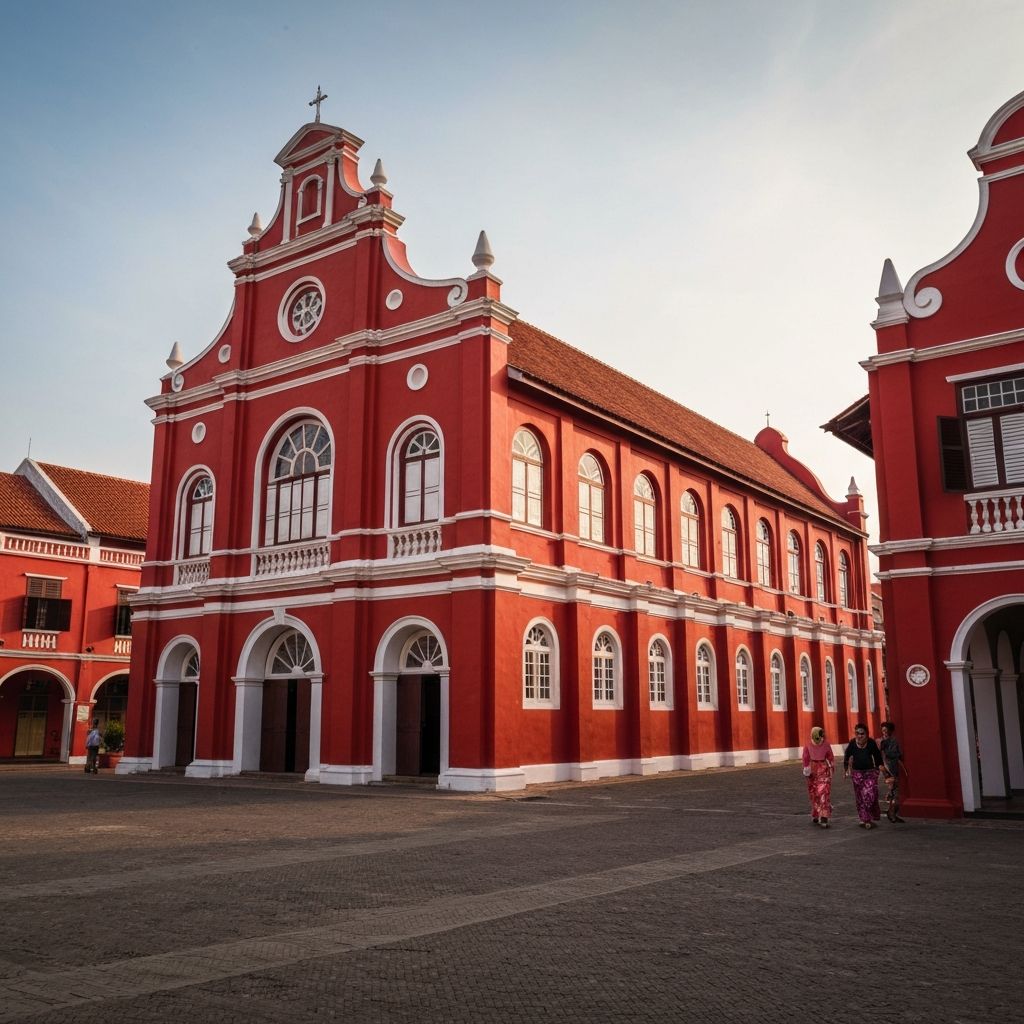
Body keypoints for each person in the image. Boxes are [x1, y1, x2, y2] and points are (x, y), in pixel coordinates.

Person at [844, 722, 884, 828]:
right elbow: (847, 755)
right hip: (857, 773)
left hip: (870, 772)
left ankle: (868, 815)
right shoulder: (853, 743)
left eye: (862, 733)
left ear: (866, 734)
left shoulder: (871, 742)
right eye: (857, 733)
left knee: (870, 794)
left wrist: (880, 766)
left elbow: (877, 756)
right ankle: (865, 819)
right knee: (860, 797)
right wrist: (845, 769)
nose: (860, 735)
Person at [801, 725, 835, 828]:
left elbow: (831, 757)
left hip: (823, 770)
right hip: (812, 771)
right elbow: (805, 758)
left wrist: (831, 769)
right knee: (814, 793)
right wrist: (806, 769)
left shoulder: (826, 744)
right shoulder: (808, 745)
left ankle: (824, 817)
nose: (819, 738)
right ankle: (816, 813)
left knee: (823, 793)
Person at [879, 720, 905, 822]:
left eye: (886, 730)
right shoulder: (884, 742)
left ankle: (892, 813)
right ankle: (892, 814)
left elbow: (895, 754)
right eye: (883, 731)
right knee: (895, 792)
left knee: (895, 792)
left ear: (890, 731)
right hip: (888, 769)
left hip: (894, 768)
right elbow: (883, 756)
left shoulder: (893, 741)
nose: (884, 733)